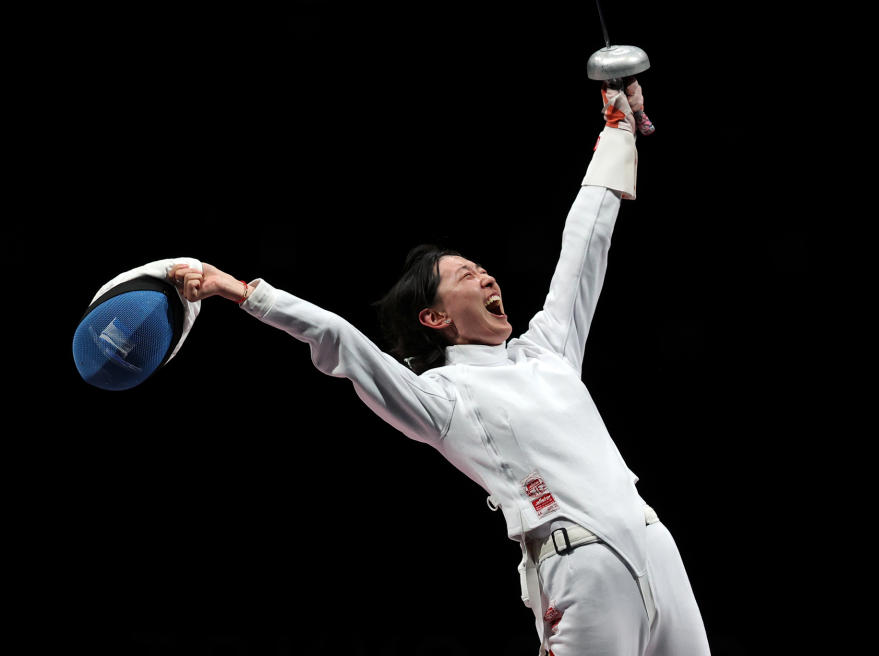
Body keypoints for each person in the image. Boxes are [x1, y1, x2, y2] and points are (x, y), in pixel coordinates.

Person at [169, 80, 711, 656]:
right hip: (584, 569)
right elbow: (342, 341)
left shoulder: (548, 349)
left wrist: (617, 132)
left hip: (658, 547)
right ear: (433, 316)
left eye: (482, 268)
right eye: (465, 275)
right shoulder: (443, 399)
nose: (487, 277)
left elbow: (586, 242)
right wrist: (243, 292)